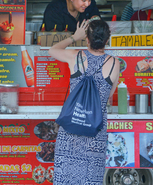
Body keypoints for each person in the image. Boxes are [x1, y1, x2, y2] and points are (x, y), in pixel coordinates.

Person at [48, 19, 120, 184]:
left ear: (87, 39)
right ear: (107, 40)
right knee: (90, 179)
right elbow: (110, 95)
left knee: (65, 179)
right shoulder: (114, 64)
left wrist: (74, 37)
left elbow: (52, 50)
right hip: (95, 134)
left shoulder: (76, 56)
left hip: (71, 131)